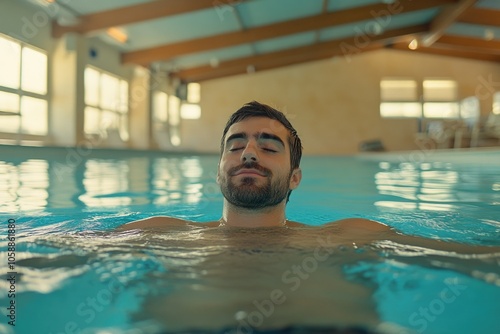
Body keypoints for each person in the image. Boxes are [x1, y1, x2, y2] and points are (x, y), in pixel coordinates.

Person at [117, 101, 498, 254]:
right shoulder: (158, 231)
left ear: (296, 177)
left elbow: (474, 256)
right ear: (218, 170)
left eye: (268, 147)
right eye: (235, 146)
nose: (248, 152)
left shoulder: (350, 235)